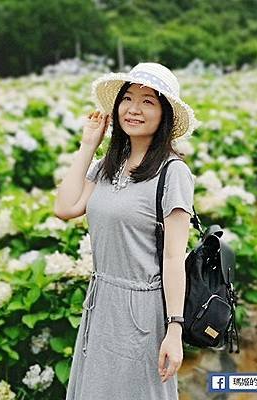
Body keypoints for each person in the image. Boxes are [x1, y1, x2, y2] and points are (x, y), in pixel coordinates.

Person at [54, 62, 199, 399]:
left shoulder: (172, 172)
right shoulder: (108, 166)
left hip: (142, 308)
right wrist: (89, 144)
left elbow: (175, 257)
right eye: (128, 99)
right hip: (101, 300)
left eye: (148, 101)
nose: (134, 109)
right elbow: (65, 208)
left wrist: (174, 329)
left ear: (164, 114)